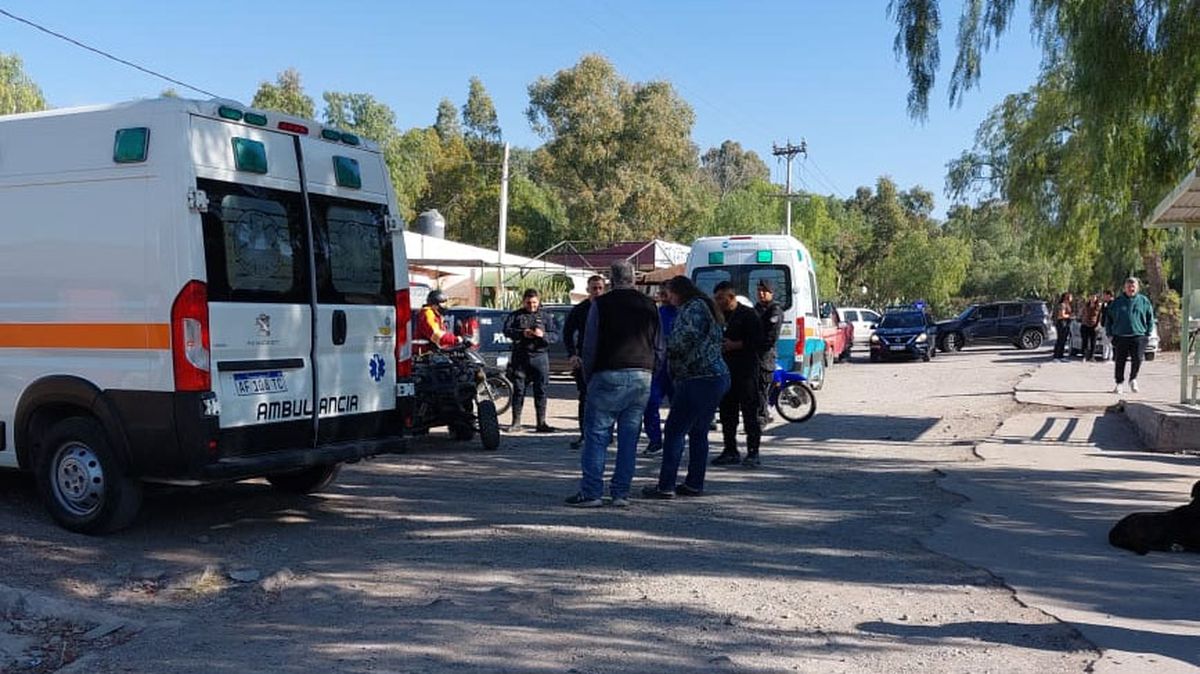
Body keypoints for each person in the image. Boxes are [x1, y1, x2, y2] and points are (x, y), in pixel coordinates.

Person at [565, 260, 662, 508]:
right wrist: (653, 370)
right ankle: (621, 493)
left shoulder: (601, 304)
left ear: (611, 279)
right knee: (629, 439)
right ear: (634, 278)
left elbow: (590, 343)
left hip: (608, 372)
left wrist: (588, 376)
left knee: (597, 435)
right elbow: (660, 345)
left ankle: (592, 492)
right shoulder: (650, 305)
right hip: (641, 374)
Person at [641, 276, 730, 499]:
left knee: (674, 431)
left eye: (669, 293)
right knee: (699, 431)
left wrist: (659, 347)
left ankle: (666, 486)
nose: (667, 297)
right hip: (714, 376)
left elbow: (682, 341)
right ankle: (694, 483)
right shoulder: (705, 306)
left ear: (679, 292)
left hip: (698, 377)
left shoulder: (692, 308)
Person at [711, 280, 764, 468]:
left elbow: (759, 341)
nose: (717, 302)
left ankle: (753, 452)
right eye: (716, 298)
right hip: (725, 370)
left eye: (720, 298)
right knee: (727, 412)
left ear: (731, 297)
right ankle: (730, 450)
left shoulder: (748, 315)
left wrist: (736, 345)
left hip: (746, 370)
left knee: (750, 412)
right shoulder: (718, 316)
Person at [503, 288, 560, 432]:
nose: (531, 305)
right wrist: (522, 333)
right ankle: (516, 423)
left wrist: (543, 335)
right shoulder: (515, 316)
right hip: (521, 357)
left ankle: (541, 423)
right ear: (523, 301)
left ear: (538, 302)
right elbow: (507, 331)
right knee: (519, 390)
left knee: (541, 390)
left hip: (540, 358)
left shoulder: (546, 317)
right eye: (528, 303)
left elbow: (555, 335)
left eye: (534, 303)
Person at [563, 275, 607, 449]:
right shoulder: (580, 309)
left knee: (605, 399)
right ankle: (584, 434)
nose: (597, 291)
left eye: (600, 288)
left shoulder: (609, 308)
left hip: (605, 360)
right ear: (588, 290)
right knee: (585, 397)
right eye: (594, 288)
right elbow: (567, 332)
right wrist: (572, 355)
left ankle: (605, 434)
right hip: (584, 360)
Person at [641, 287, 678, 456]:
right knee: (651, 404)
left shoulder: (683, 313)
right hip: (659, 368)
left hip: (677, 367)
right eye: (661, 293)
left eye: (666, 292)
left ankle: (675, 440)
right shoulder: (655, 314)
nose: (663, 296)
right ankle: (655, 440)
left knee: (678, 407)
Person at [1104, 276, 1156, 395]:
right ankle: (1119, 383)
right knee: (1120, 360)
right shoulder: (1117, 302)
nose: (1131, 289)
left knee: (1137, 359)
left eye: (1133, 287)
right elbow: (1109, 319)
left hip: (1139, 335)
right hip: (1120, 336)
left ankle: (1133, 379)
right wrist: (1109, 334)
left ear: (1137, 288)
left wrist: (1148, 333)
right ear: (1125, 288)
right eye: (1128, 287)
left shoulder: (1144, 301)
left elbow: (1150, 318)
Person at [753, 279, 784, 424]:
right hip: (753, 357)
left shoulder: (774, 310)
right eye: (759, 290)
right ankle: (762, 415)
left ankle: (761, 419)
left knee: (761, 389)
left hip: (765, 357)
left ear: (771, 292)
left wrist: (752, 344)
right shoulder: (757, 309)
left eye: (764, 291)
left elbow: (771, 337)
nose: (761, 293)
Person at [413, 290, 462, 356]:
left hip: (432, 353)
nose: (445, 306)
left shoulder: (437, 315)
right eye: (443, 303)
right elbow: (436, 334)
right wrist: (456, 339)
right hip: (424, 355)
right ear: (435, 305)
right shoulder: (428, 313)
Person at [1079, 293, 1102, 362]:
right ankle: (1084, 356)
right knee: (1085, 341)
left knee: (1093, 342)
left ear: (1096, 298)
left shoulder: (1098, 306)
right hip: (1085, 325)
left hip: (1094, 326)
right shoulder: (1086, 305)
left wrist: (1097, 325)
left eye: (1094, 297)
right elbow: (1082, 314)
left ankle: (1092, 356)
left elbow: (1099, 317)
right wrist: (1082, 320)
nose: (1092, 298)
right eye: (1091, 297)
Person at [1052, 291, 1074, 360]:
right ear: (1066, 297)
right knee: (1061, 339)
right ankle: (1057, 355)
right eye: (1070, 297)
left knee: (1063, 339)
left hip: (1065, 323)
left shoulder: (1067, 305)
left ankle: (1060, 355)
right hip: (1062, 323)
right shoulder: (1062, 305)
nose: (1072, 298)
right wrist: (1070, 316)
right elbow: (1061, 315)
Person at [1098, 289, 1115, 361]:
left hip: (1111, 325)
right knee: (1105, 341)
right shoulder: (1104, 304)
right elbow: (1102, 313)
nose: (1103, 297)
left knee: (1109, 342)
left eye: (1105, 295)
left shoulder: (1114, 303)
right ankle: (1104, 356)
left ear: (1109, 295)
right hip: (1104, 324)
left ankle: (1110, 357)